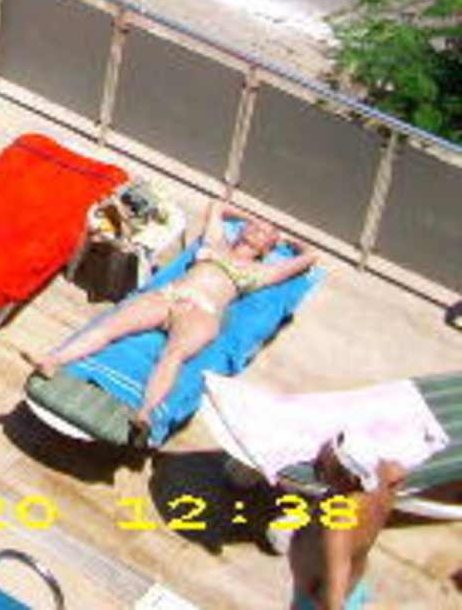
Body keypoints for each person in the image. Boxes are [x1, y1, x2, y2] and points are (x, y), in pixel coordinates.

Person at [22, 200, 316, 449]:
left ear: (267, 248)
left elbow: (311, 258)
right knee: (109, 328)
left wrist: (291, 243)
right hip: (169, 295)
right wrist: (252, 219)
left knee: (173, 356)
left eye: (264, 233)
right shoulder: (215, 243)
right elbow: (217, 207)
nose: (257, 229)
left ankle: (145, 414)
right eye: (254, 226)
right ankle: (51, 361)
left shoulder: (260, 272)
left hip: (203, 312)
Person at [287, 437, 406, 610]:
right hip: (353, 586)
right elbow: (399, 473)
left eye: (330, 454)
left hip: (316, 603)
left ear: (346, 477)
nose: (322, 454)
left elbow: (334, 602)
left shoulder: (338, 526)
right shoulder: (385, 478)